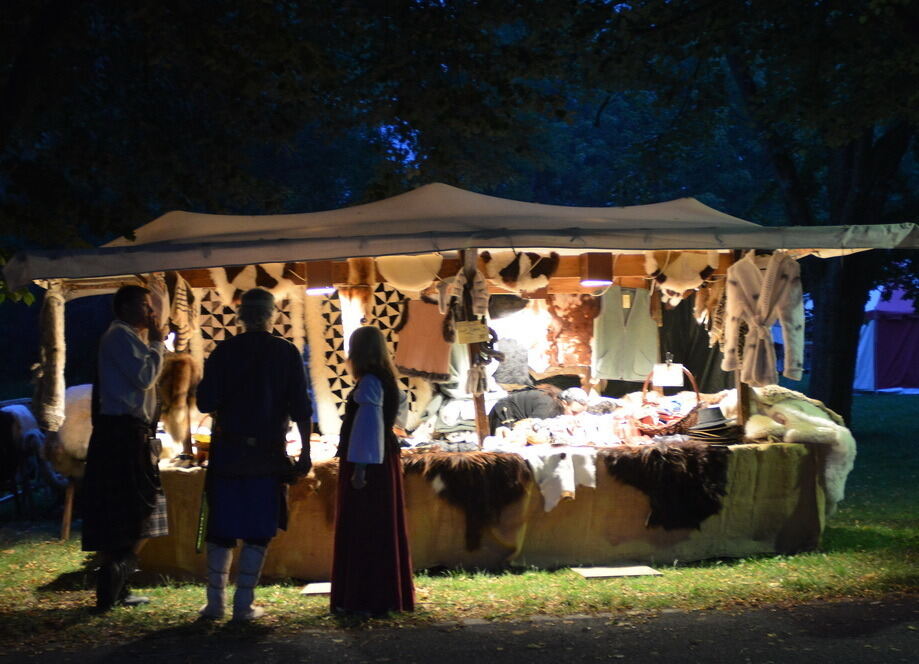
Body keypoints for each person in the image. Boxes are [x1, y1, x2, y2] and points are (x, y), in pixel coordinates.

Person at [196, 288, 313, 621]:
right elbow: (301, 408)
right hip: (267, 454)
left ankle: (215, 603)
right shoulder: (286, 352)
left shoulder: (222, 352)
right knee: (259, 528)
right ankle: (243, 605)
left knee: (222, 528)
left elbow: (205, 403)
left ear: (241, 316)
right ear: (272, 315)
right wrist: (304, 453)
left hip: (228, 454)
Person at [82, 284, 168, 612]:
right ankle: (111, 588)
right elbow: (144, 377)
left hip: (133, 434)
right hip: (121, 436)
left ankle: (119, 585)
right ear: (127, 308)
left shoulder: (131, 337)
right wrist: (159, 341)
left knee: (140, 510)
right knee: (129, 510)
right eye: (146, 306)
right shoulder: (119, 336)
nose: (153, 313)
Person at [330, 325, 414, 615]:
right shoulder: (385, 380)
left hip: (370, 461)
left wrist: (361, 469)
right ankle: (379, 595)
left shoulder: (369, 382)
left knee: (366, 527)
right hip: (381, 457)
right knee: (377, 525)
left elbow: (368, 427)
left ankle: (367, 597)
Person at [488, 385, 589, 434]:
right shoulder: (548, 406)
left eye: (580, 414)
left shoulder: (560, 404)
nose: (575, 417)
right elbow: (530, 428)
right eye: (574, 412)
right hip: (504, 412)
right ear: (564, 404)